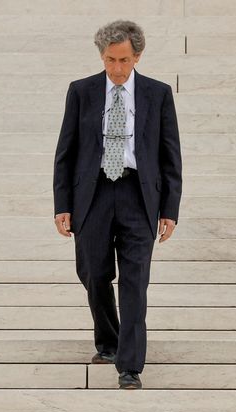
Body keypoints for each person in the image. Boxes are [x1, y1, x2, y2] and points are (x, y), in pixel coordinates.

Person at [52, 20, 182, 390]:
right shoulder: (82, 91)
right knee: (93, 272)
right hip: (92, 195)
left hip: (137, 196)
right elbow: (66, 151)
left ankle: (130, 366)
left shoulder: (158, 94)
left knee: (135, 281)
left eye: (124, 60)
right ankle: (109, 340)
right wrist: (62, 203)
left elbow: (170, 154)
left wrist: (169, 209)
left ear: (137, 56)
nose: (117, 69)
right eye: (110, 60)